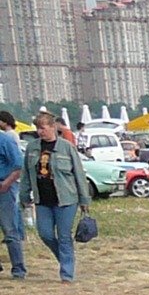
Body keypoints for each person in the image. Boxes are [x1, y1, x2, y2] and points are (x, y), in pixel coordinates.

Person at [22, 111, 90, 283]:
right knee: (45, 234)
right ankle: (66, 258)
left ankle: (66, 273)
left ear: (53, 127)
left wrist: (84, 200)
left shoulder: (67, 147)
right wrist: (24, 194)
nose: (40, 132)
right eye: (37, 128)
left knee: (64, 235)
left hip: (66, 199)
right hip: (42, 200)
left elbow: (79, 174)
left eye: (43, 128)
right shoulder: (32, 148)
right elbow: (26, 174)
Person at [0, 111, 25, 279]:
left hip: (5, 188)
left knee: (9, 229)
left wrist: (6, 183)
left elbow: (18, 165)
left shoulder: (6, 140)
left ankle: (18, 269)